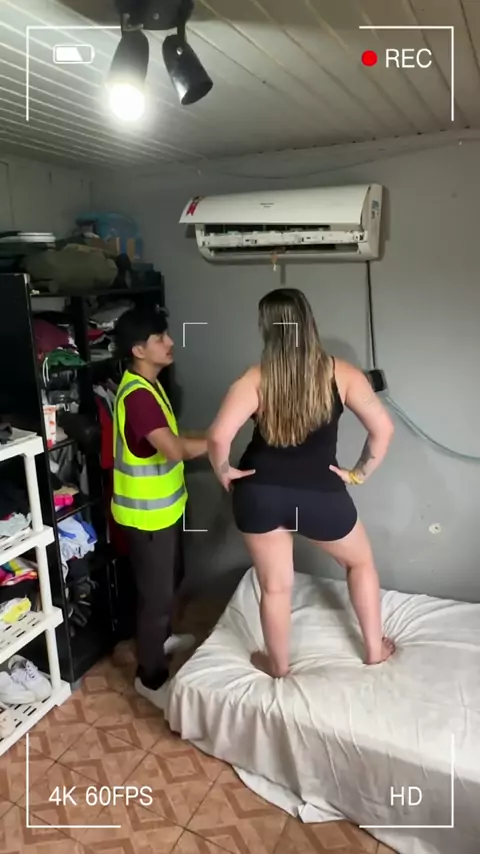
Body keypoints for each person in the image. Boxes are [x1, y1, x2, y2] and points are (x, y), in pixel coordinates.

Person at [207, 287, 395, 678]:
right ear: (308, 322)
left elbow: (218, 437)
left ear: (267, 327)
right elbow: (383, 430)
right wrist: (357, 474)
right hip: (318, 496)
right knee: (360, 563)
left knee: (275, 586)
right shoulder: (343, 374)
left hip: (260, 493)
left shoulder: (254, 378)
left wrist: (224, 470)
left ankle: (277, 667)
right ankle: (374, 651)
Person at [112, 304, 208, 709]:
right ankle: (149, 676)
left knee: (170, 580)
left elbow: (173, 436)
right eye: (160, 338)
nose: (170, 343)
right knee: (155, 596)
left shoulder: (150, 386)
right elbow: (174, 450)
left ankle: (162, 639)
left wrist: (208, 434)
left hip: (165, 510)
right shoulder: (138, 397)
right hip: (147, 516)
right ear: (139, 350)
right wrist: (219, 440)